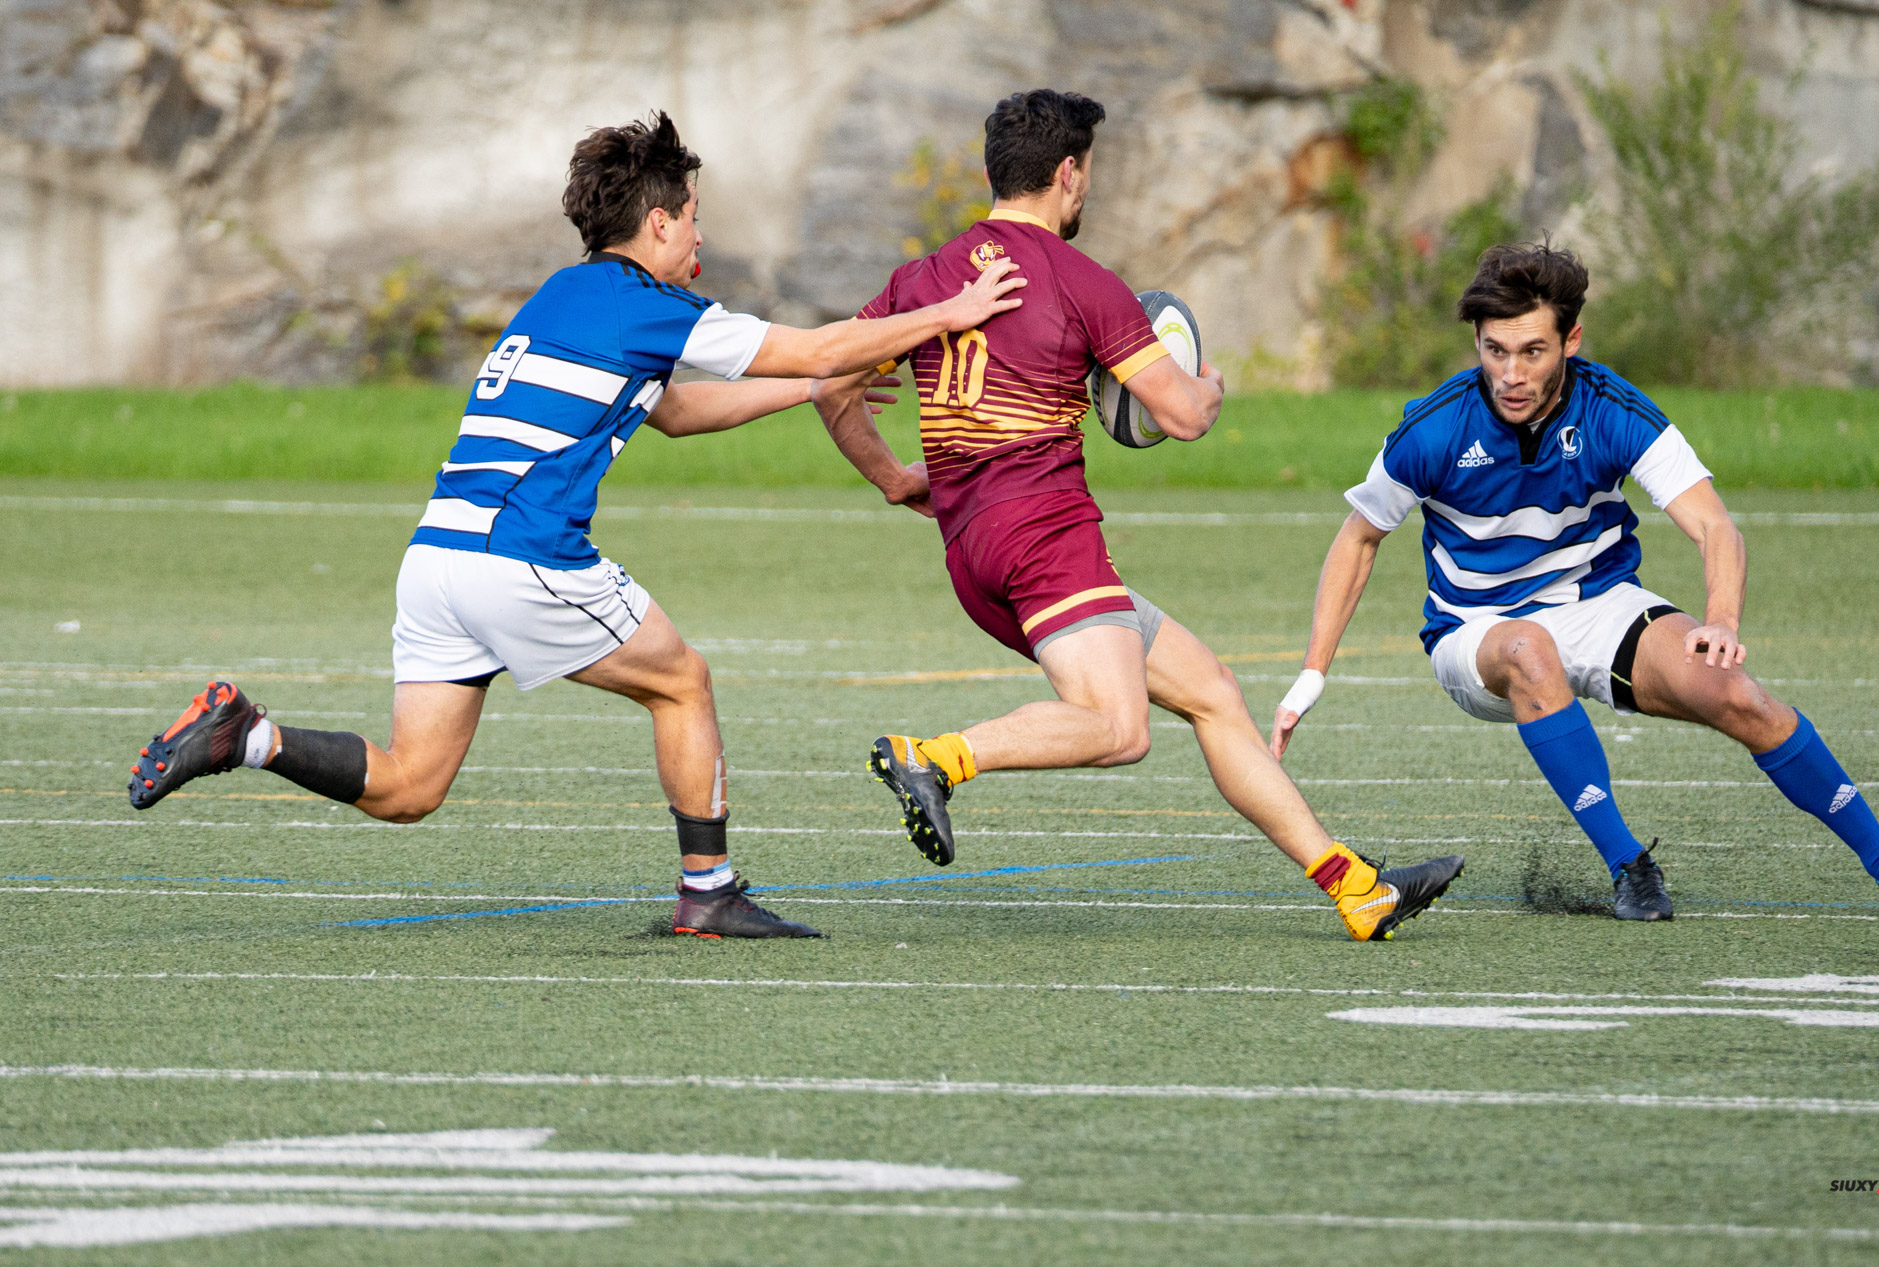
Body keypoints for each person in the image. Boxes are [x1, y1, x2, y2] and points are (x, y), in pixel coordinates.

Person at [126, 111, 1023, 939]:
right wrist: (950, 314)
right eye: (695, 216)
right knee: (682, 681)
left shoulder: (563, 296)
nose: (702, 236)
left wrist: (811, 391)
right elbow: (822, 344)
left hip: (436, 559)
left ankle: (245, 735)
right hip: (519, 555)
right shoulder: (643, 303)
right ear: (660, 222)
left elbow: (675, 412)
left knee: (410, 786)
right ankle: (709, 892)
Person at [812, 90, 1464, 942]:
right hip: (1046, 540)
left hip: (974, 550)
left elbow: (830, 384)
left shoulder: (925, 278)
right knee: (1119, 729)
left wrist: (895, 479)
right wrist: (1210, 388)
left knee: (1212, 693)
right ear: (1070, 175)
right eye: (1089, 176)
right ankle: (934, 756)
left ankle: (1355, 888)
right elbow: (1183, 416)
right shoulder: (1084, 283)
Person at [1269, 241, 1879, 921]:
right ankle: (1629, 866)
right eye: (1495, 351)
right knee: (1529, 651)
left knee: (1736, 693)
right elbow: (1359, 539)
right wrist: (1313, 673)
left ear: (1571, 340)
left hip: (1601, 604)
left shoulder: (1611, 408)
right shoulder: (1434, 429)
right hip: (1476, 632)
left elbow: (1714, 525)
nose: (1510, 373)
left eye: (1532, 351)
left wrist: (1720, 620)